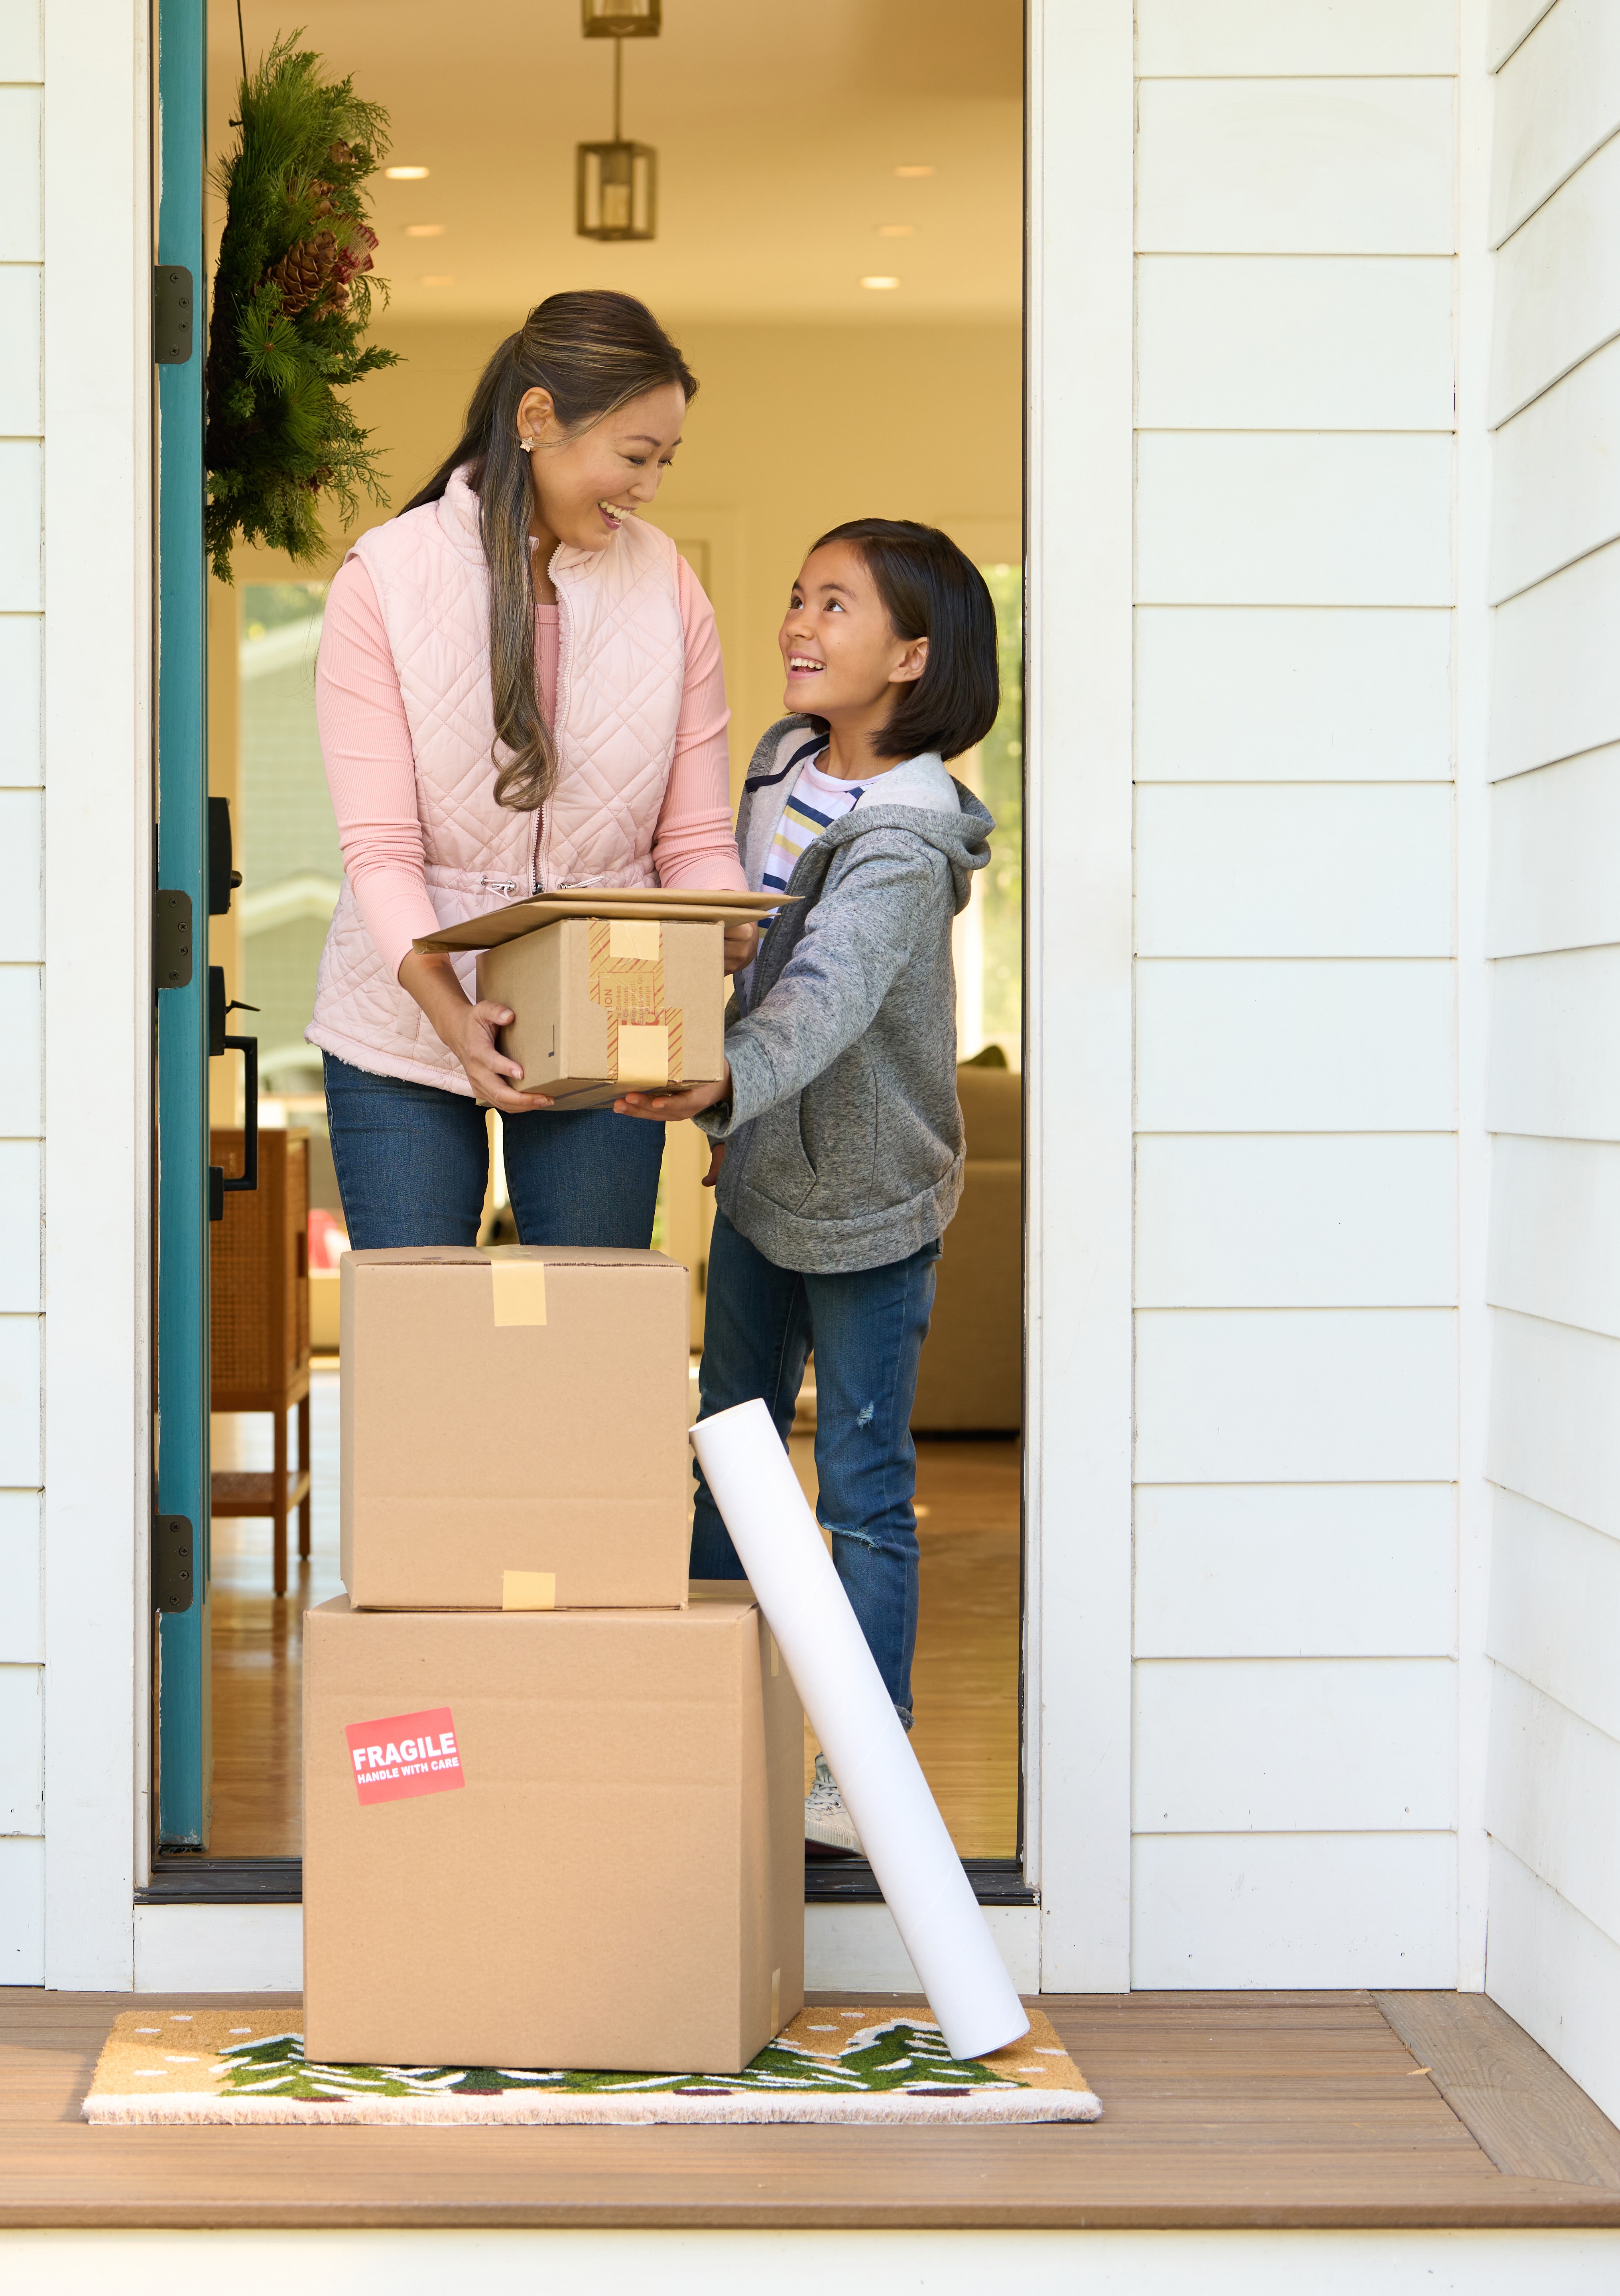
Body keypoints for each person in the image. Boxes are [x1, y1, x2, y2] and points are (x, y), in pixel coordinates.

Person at [613, 518, 999, 1851]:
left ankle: (862, 1785)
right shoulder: (781, 771)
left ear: (912, 655)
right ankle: (711, 1742)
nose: (797, 624)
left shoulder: (908, 838)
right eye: (796, 598)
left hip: (873, 1200)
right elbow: (752, 934)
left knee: (862, 1497)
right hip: (762, 1176)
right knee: (728, 1459)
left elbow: (826, 999)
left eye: (834, 607)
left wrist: (722, 1078)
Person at [308, 290, 753, 1250]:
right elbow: (382, 853)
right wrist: (454, 1015)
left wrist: (716, 918)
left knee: (588, 1337)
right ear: (538, 419)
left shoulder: (670, 585)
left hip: (608, 1009)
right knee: (418, 1338)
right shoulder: (385, 580)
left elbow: (694, 839)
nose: (650, 488)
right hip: (404, 1021)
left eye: (667, 461)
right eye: (635, 457)